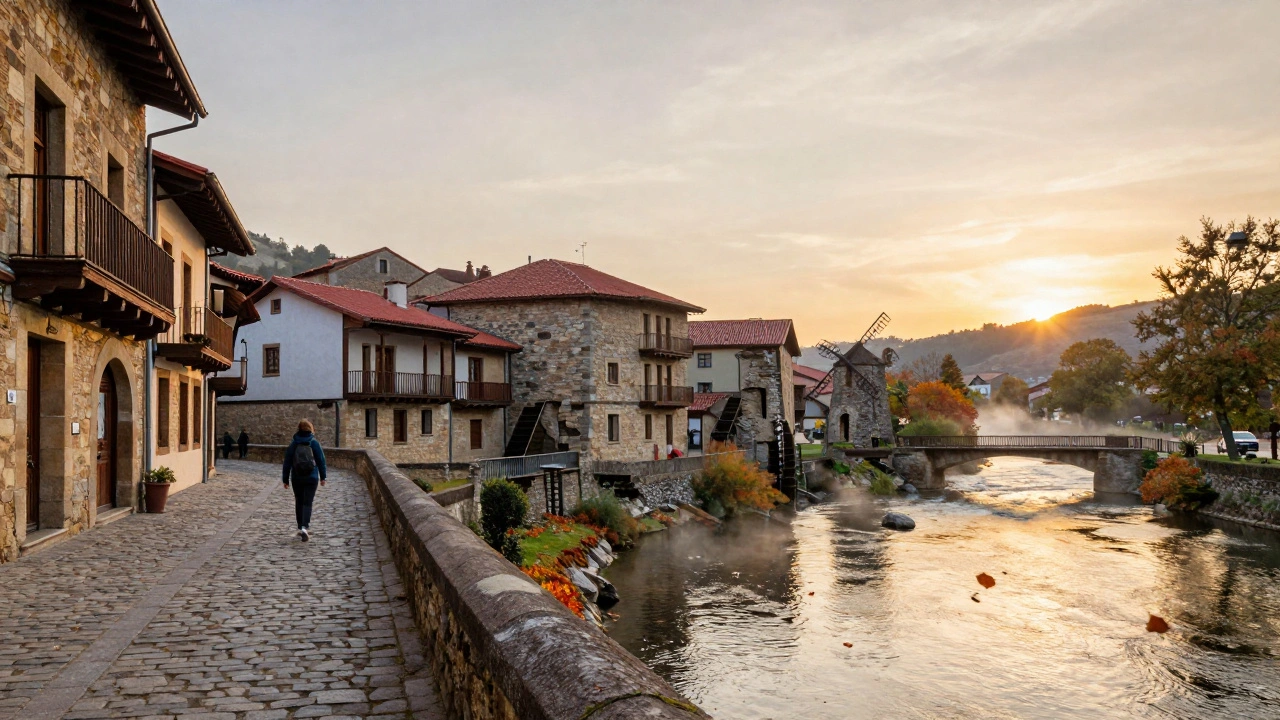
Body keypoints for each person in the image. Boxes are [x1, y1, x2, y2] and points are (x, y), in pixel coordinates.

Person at [282, 419, 326, 541]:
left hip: (297, 477)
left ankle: (300, 526)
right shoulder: (314, 443)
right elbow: (321, 461)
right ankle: (305, 527)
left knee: (299, 501)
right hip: (311, 477)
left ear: (299, 429)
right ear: (310, 429)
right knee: (308, 502)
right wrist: (323, 477)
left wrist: (285, 479)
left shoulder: (293, 444)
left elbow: (287, 462)